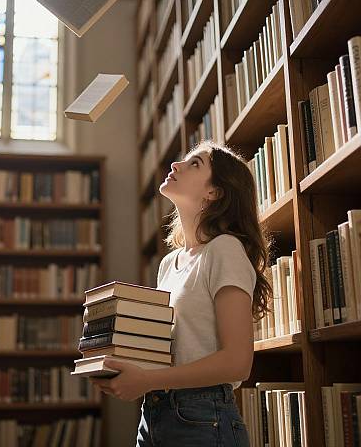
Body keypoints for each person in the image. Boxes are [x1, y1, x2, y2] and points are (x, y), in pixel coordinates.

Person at [90, 141, 272, 446]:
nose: (176, 165)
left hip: (203, 418)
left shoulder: (225, 250)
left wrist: (147, 380)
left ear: (214, 192)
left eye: (195, 164)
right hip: (154, 414)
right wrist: (124, 369)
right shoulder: (169, 263)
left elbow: (237, 362)